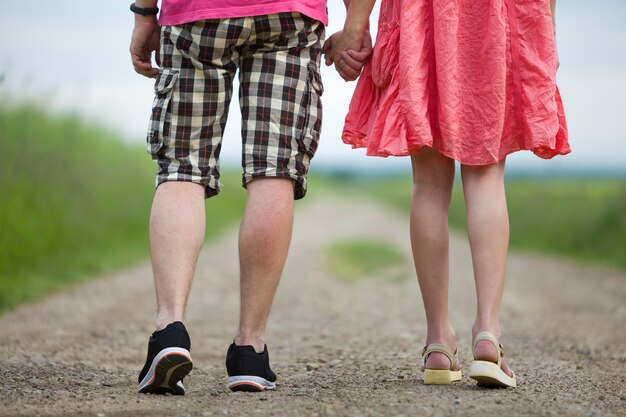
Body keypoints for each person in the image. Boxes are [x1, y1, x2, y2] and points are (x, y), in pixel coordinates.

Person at [129, 0, 370, 395]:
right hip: (289, 15)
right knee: (274, 171)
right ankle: (249, 351)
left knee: (181, 169)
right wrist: (356, 22)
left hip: (195, 15)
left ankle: (168, 331)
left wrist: (143, 12)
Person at [326, 0, 570, 387]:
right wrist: (548, 27)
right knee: (486, 176)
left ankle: (438, 339)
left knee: (429, 184)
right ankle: (488, 334)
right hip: (500, 13)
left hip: (420, 12)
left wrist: (355, 25)